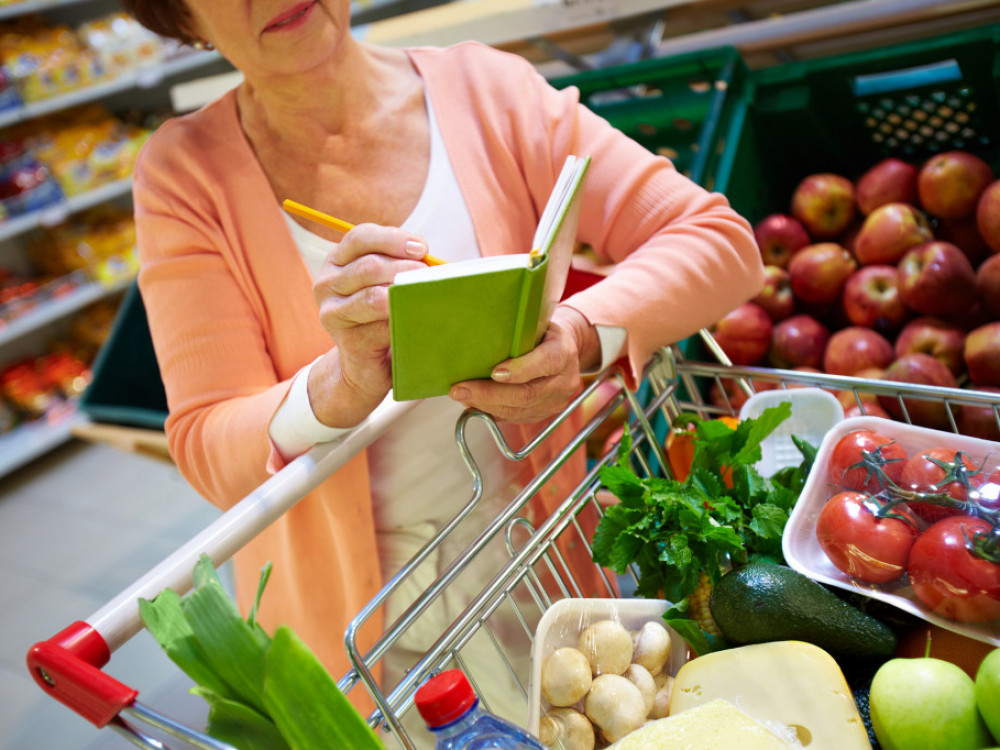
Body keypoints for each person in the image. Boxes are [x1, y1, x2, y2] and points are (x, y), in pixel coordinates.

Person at [120, 0, 763, 726]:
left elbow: (718, 240)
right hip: (356, 640)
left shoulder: (488, 93)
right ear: (180, 17)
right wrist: (339, 385)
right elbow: (207, 445)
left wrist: (582, 334)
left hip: (544, 578)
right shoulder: (186, 175)